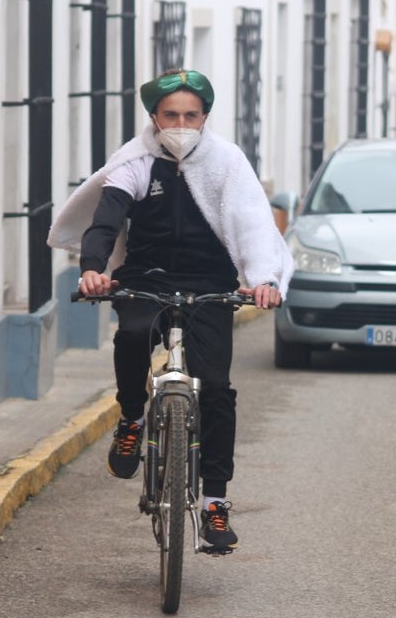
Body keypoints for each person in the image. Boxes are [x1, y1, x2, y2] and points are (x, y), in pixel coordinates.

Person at [47, 68, 293, 551]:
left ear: (205, 118)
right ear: (154, 117)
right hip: (147, 277)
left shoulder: (226, 162)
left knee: (218, 388)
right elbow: (105, 221)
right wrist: (94, 269)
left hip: (210, 283)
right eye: (170, 115)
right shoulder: (135, 162)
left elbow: (251, 221)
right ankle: (132, 420)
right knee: (133, 335)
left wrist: (262, 279)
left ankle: (216, 503)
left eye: (191, 115)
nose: (181, 123)